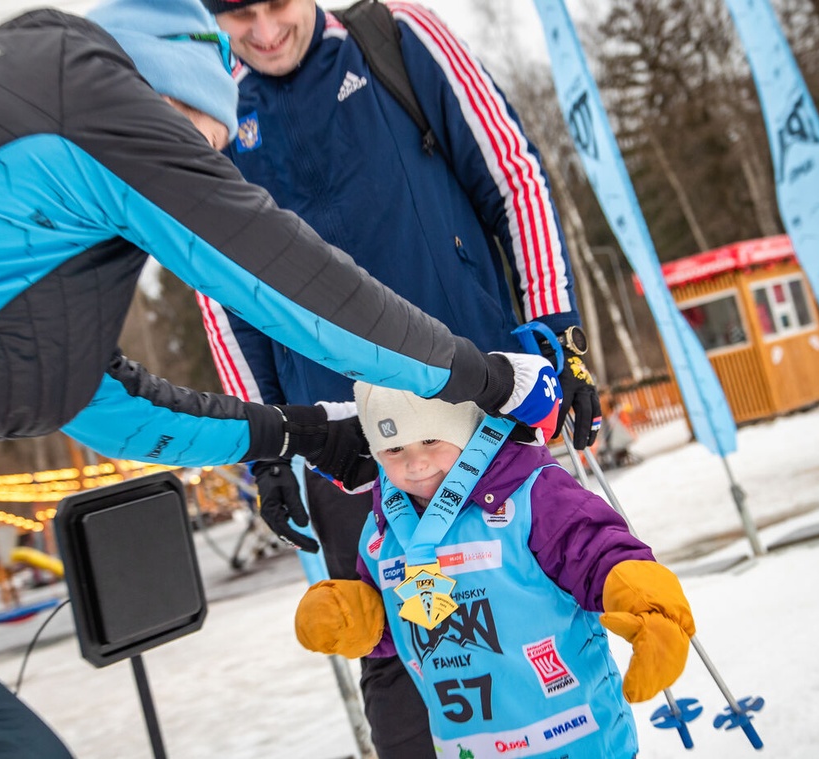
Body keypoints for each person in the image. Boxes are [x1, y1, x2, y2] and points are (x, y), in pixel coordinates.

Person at [0, 0, 565, 755]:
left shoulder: (31, 205)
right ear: (168, 89)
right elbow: (290, 284)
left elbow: (103, 399)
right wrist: (482, 376)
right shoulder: (91, 99)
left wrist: (298, 432)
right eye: (200, 141)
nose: (203, 165)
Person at [195, 0, 601, 753]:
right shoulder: (214, 109)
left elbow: (511, 174)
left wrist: (558, 328)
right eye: (237, 15)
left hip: (475, 408)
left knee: (537, 617)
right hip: (349, 446)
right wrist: (268, 446)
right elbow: (222, 293)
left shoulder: (392, 36)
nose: (262, 31)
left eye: (276, 4)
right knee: (402, 658)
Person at [294, 383, 697, 758]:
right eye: (394, 449)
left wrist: (653, 609)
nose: (415, 464)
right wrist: (353, 617)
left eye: (431, 440)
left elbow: (599, 553)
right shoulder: (386, 531)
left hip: (575, 737)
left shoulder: (530, 493)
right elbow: (399, 627)